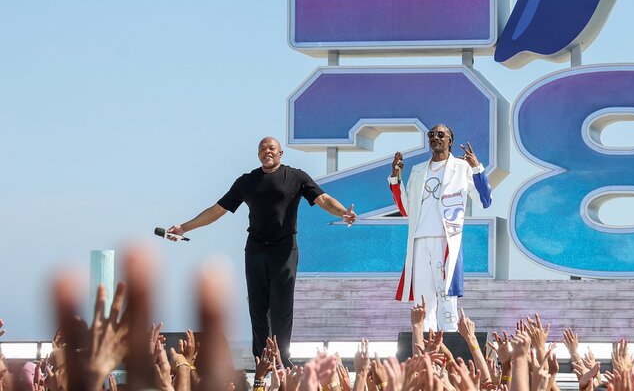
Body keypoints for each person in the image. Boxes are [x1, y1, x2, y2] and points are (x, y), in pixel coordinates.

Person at [166, 136, 356, 361]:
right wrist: (184, 228)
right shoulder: (247, 182)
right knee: (258, 308)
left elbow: (323, 199)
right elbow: (217, 210)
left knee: (281, 308)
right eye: (263, 149)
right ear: (258, 155)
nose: (267, 151)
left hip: (285, 251)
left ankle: (282, 360)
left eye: (272, 148)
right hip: (256, 250)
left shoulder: (296, 177)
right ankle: (262, 360)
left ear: (280, 153)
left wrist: (343, 212)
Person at [388, 124, 492, 332]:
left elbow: (484, 200)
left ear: (450, 141)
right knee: (422, 298)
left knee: (446, 297)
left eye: (440, 135)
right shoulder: (418, 170)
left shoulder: (462, 168)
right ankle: (425, 348)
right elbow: (406, 208)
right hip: (419, 240)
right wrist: (396, 177)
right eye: (431, 135)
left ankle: (450, 345)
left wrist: (477, 168)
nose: (435, 137)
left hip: (445, 239)